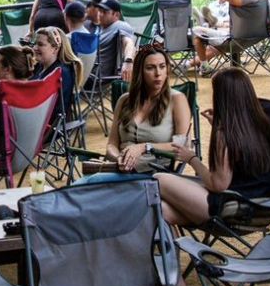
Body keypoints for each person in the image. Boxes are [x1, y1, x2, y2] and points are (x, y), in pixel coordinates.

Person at [156, 66, 270, 229]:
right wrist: (218, 125)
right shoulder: (261, 122)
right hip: (264, 206)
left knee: (158, 180)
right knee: (162, 209)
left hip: (234, 209)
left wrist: (191, 158)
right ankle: (173, 253)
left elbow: (218, 184)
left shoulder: (225, 134)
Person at [79, 43, 191, 183]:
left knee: (90, 183)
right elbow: (111, 145)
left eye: (162, 66)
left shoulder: (176, 99)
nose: (158, 73)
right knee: (79, 186)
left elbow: (183, 147)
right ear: (140, 72)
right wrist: (118, 158)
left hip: (152, 172)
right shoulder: (125, 100)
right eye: (151, 68)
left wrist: (145, 148)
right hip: (120, 170)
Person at [192, 0, 270, 70]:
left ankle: (204, 66)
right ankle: (210, 23)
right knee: (217, 38)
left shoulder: (251, 0)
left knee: (196, 31)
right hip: (253, 39)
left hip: (234, 42)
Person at [32, 26, 82, 120]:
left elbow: (55, 110)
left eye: (40, 44)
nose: (34, 47)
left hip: (46, 126)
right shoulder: (39, 66)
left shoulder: (60, 73)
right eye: (35, 43)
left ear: (55, 49)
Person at [95, 0, 136, 82]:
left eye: (105, 12)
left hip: (96, 77)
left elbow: (129, 43)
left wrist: (128, 61)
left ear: (116, 14)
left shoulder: (120, 26)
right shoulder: (98, 27)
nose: (100, 14)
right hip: (87, 72)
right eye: (99, 11)